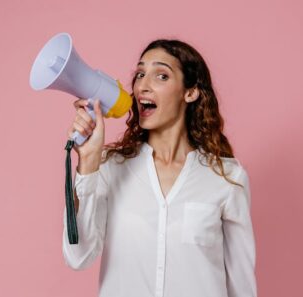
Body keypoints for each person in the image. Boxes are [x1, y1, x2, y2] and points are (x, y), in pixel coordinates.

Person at [62, 38, 257, 297]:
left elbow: (241, 283)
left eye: (161, 75)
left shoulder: (227, 177)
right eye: (140, 74)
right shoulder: (109, 167)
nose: (143, 85)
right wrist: (87, 162)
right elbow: (78, 256)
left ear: (190, 92)